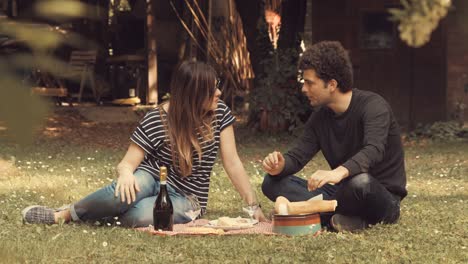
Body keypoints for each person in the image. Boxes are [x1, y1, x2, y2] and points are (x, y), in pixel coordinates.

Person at [22, 60, 266, 227]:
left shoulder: (220, 113)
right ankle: (62, 215)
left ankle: (98, 213)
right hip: (152, 178)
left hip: (189, 199)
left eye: (217, 87)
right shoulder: (157, 119)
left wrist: (253, 205)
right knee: (123, 192)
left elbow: (232, 162)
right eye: (211, 90)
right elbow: (127, 163)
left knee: (139, 216)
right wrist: (127, 174)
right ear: (192, 95)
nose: (219, 94)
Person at [261, 41, 407, 232]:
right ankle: (342, 219)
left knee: (361, 183)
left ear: (331, 84)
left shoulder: (373, 106)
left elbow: (374, 150)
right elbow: (297, 157)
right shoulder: (320, 117)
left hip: (379, 195)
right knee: (271, 183)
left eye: (309, 82)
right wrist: (280, 166)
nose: (304, 89)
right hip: (341, 193)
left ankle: (322, 215)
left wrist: (337, 172)